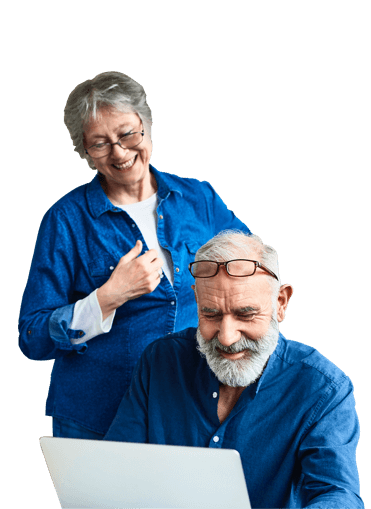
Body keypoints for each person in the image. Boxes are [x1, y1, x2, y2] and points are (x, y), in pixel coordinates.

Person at [18, 72, 251, 439]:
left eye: (127, 134)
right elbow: (32, 335)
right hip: (97, 418)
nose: (120, 153)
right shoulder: (65, 220)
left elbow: (253, 267)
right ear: (85, 151)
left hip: (191, 411)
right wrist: (107, 298)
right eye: (100, 143)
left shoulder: (199, 199)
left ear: (146, 125)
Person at [104, 230, 363, 509]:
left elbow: (338, 495)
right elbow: (118, 468)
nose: (226, 338)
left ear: (281, 303)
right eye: (211, 314)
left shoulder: (324, 389)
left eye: (246, 314)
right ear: (197, 301)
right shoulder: (160, 360)